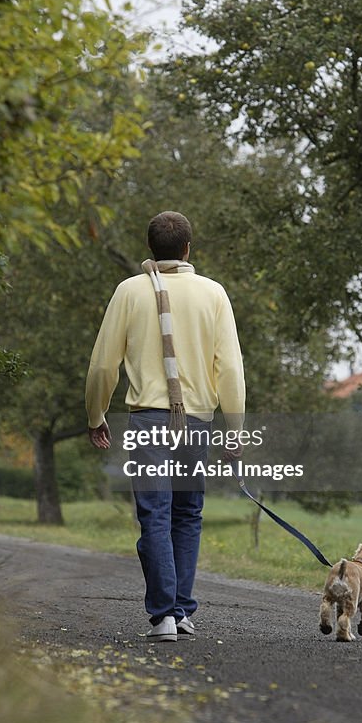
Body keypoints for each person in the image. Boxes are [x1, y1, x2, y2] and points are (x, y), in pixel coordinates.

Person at [85, 211, 245, 642]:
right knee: (187, 514)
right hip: (197, 421)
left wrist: (96, 413)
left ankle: (164, 618)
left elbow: (103, 364)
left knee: (154, 515)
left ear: (150, 248)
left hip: (147, 419)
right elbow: (229, 368)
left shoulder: (129, 291)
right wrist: (235, 427)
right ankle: (182, 610)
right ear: (188, 248)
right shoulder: (213, 294)